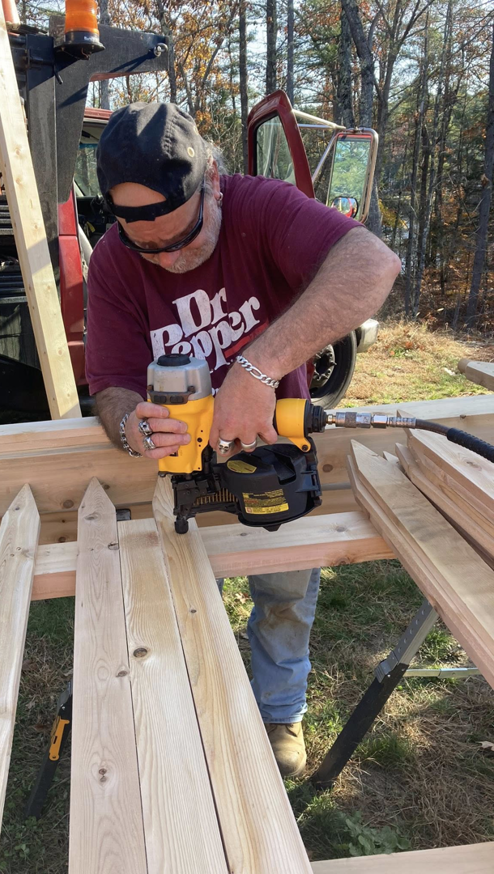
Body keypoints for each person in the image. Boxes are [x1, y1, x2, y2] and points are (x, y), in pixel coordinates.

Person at [84, 102, 400, 777]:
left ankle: (279, 713)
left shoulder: (262, 209)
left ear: (214, 181)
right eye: (150, 246)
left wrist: (257, 369)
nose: (169, 259)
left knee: (285, 594)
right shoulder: (114, 262)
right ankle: (179, 718)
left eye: (184, 237)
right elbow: (109, 385)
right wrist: (129, 424)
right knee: (165, 601)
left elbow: (372, 265)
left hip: (274, 457)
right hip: (178, 465)